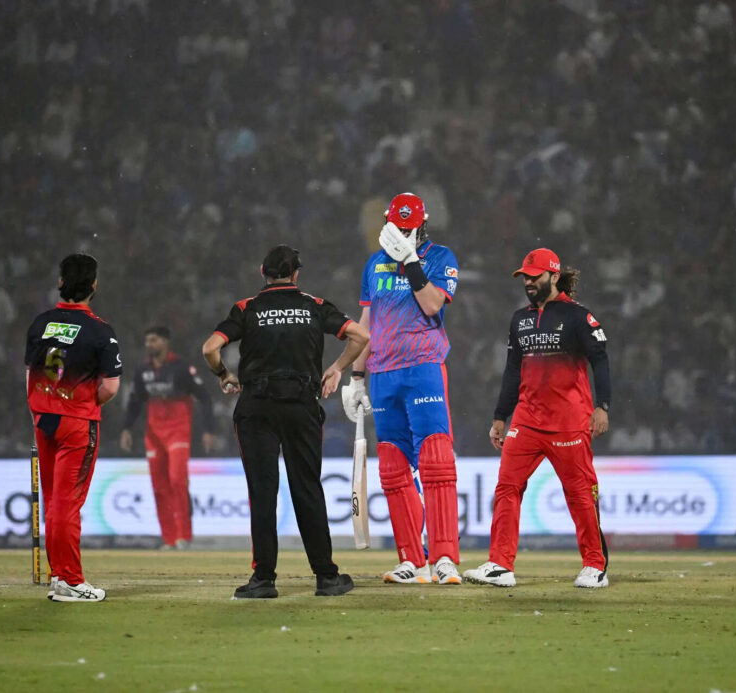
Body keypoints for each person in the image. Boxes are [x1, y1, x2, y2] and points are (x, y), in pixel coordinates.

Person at [201, 245, 370, 598]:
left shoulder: (246, 308)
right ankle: (326, 577)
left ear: (263, 272)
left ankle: (263, 580)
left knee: (263, 492)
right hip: (300, 404)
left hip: (256, 407)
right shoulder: (314, 305)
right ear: (296, 274)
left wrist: (224, 374)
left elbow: (209, 348)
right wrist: (337, 368)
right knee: (307, 488)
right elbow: (361, 336)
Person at [463, 248, 612, 589]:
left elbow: (600, 360)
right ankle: (500, 565)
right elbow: (512, 370)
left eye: (535, 276)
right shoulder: (520, 319)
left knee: (579, 494)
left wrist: (602, 406)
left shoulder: (579, 316)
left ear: (554, 276)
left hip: (569, 422)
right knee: (507, 487)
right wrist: (500, 416)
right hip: (526, 420)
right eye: (525, 277)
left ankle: (595, 565)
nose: (528, 282)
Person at [340, 192, 462, 585]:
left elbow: (432, 305)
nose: (404, 233)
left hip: (424, 367)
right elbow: (367, 323)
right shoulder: (374, 263)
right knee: (392, 467)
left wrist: (411, 261)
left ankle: (444, 558)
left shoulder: (440, 257)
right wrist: (356, 377)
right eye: (398, 227)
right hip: (383, 373)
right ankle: (413, 560)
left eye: (410, 228)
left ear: (422, 225)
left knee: (436, 461)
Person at [24, 253, 122, 602]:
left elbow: (29, 377)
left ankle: (58, 576)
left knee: (53, 501)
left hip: (42, 419)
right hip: (77, 423)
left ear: (61, 282)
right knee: (67, 504)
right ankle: (70, 580)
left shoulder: (40, 324)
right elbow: (110, 387)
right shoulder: (100, 331)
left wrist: (41, 409)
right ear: (94, 285)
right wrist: (84, 404)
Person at [120, 326, 215, 550]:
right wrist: (126, 429)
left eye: (153, 340)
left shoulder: (181, 367)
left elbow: (205, 398)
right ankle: (169, 539)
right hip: (153, 434)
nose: (149, 345)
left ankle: (184, 535)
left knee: (177, 480)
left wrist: (208, 430)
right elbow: (135, 400)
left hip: (178, 431)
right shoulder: (143, 369)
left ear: (165, 342)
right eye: (147, 341)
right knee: (159, 487)